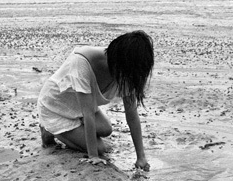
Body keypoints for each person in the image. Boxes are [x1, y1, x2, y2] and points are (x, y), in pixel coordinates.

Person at [37, 30, 154, 171]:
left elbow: (132, 115)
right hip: (54, 106)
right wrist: (93, 157)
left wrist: (141, 157)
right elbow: (88, 115)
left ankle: (72, 131)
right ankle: (48, 129)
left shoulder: (128, 69)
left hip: (78, 108)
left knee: (106, 129)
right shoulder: (82, 62)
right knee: (100, 149)